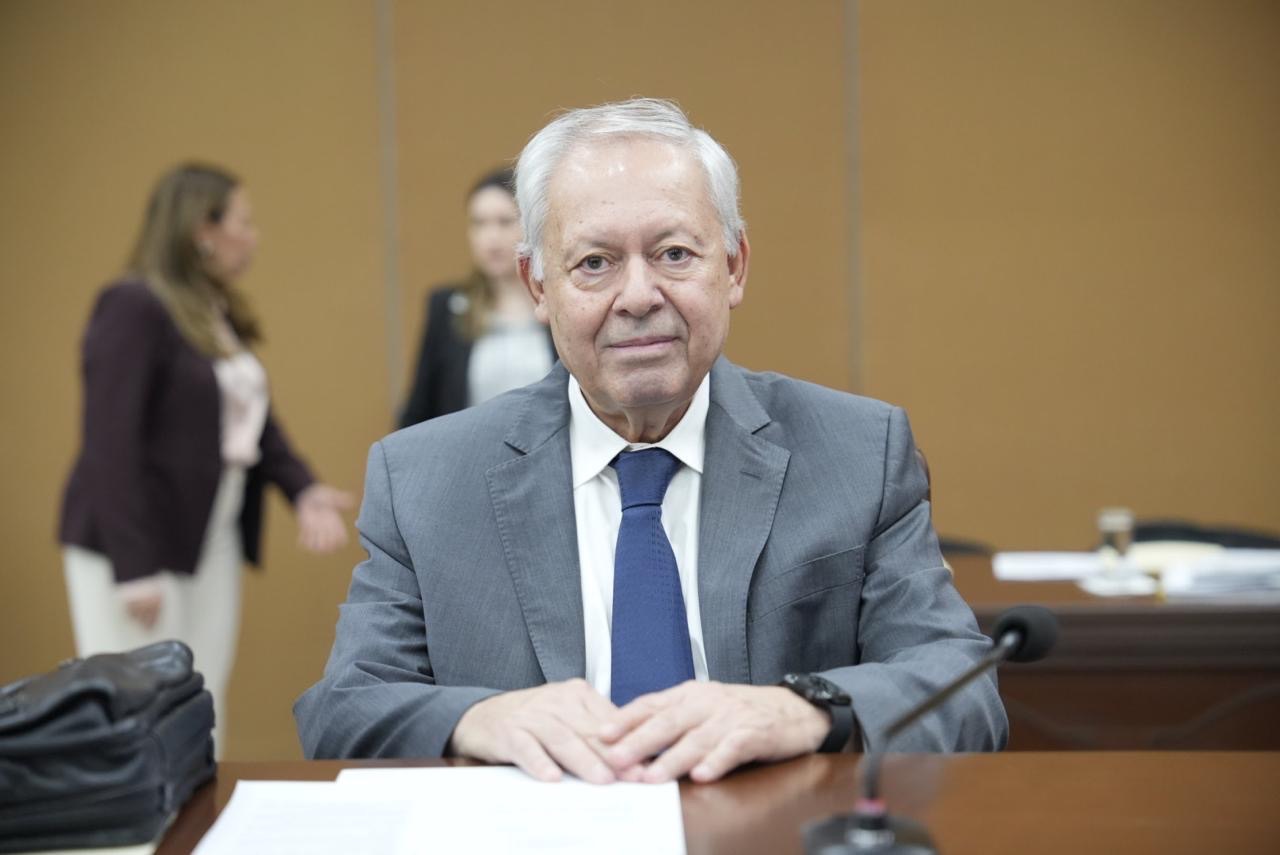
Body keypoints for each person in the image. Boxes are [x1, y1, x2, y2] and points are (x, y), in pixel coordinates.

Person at [295, 99, 1006, 784]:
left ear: (734, 266)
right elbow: (343, 709)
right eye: (594, 263)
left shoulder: (858, 453)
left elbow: (964, 690)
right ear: (537, 285)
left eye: (673, 253)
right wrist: (475, 717)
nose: (638, 296)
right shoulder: (425, 478)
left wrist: (805, 708)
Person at [59, 163, 353, 755]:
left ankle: (196, 817)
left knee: (200, 703)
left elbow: (250, 419)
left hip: (208, 536)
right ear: (203, 230)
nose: (254, 237)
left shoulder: (209, 310)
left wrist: (301, 488)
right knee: (138, 714)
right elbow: (109, 444)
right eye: (244, 222)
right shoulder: (133, 305)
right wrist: (133, 568)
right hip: (134, 545)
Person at [398, 167, 555, 427]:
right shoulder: (448, 307)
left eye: (504, 222)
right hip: (469, 449)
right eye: (479, 223)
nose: (491, 238)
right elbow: (420, 408)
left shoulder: (558, 302)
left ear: (531, 226)